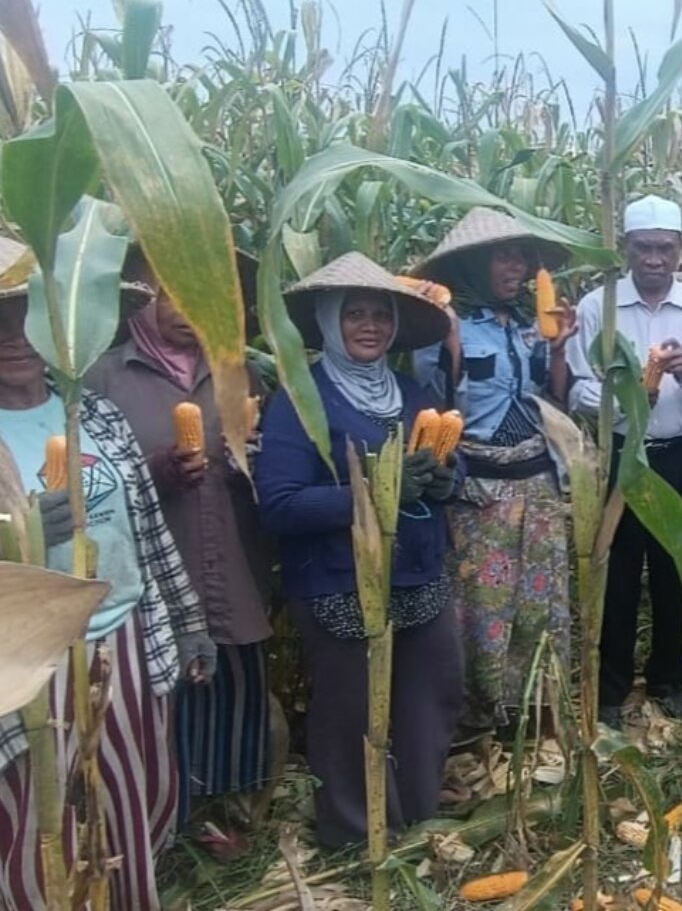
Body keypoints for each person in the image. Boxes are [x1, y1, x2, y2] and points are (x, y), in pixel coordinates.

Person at [0, 237, 213, 911]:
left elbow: (146, 530)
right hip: (33, 660)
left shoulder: (93, 411)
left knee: (128, 792)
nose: (15, 337)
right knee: (43, 808)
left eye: (29, 316)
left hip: (124, 638)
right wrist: (19, 535)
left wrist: (190, 624)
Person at [255, 251, 463, 846]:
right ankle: (355, 833)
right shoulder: (300, 400)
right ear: (327, 322)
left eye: (380, 315)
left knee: (431, 694)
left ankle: (417, 817)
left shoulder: (408, 389)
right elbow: (280, 505)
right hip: (338, 579)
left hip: (418, 572)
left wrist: (451, 478)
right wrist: (374, 492)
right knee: (350, 713)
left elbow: (449, 460)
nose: (369, 326)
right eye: (354, 315)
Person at [85, 250, 274, 826]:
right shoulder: (104, 376)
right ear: (144, 298)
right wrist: (156, 471)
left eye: (199, 298)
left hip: (236, 558)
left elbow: (274, 457)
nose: (186, 312)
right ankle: (168, 815)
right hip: (156, 562)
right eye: (172, 297)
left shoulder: (240, 372)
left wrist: (254, 462)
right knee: (167, 689)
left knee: (238, 683)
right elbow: (89, 475)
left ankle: (233, 809)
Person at [567, 195, 682, 727]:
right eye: (643, 248)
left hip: (681, 457)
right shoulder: (598, 306)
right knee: (616, 574)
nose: (654, 259)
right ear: (625, 248)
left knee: (676, 572)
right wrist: (629, 396)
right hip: (621, 457)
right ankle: (611, 691)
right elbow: (578, 389)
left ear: (681, 249)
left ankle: (671, 680)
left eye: (665, 248)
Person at [410, 207, 576, 737]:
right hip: (479, 488)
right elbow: (435, 407)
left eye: (523, 257)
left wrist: (559, 350)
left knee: (538, 601)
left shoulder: (530, 322)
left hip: (537, 479)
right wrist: (451, 346)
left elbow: (554, 401)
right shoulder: (443, 323)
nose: (520, 268)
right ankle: (482, 717)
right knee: (481, 608)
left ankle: (536, 713)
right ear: (475, 264)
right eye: (505, 256)